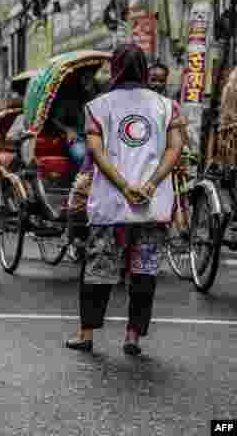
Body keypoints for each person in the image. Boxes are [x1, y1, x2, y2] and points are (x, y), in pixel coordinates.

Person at [66, 43, 183, 356]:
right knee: (143, 271)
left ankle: (86, 334)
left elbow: (97, 153)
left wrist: (123, 186)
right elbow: (174, 149)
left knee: (98, 269)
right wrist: (150, 184)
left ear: (115, 68)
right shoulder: (166, 106)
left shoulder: (98, 106)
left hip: (110, 204)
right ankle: (132, 336)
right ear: (144, 69)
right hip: (153, 203)